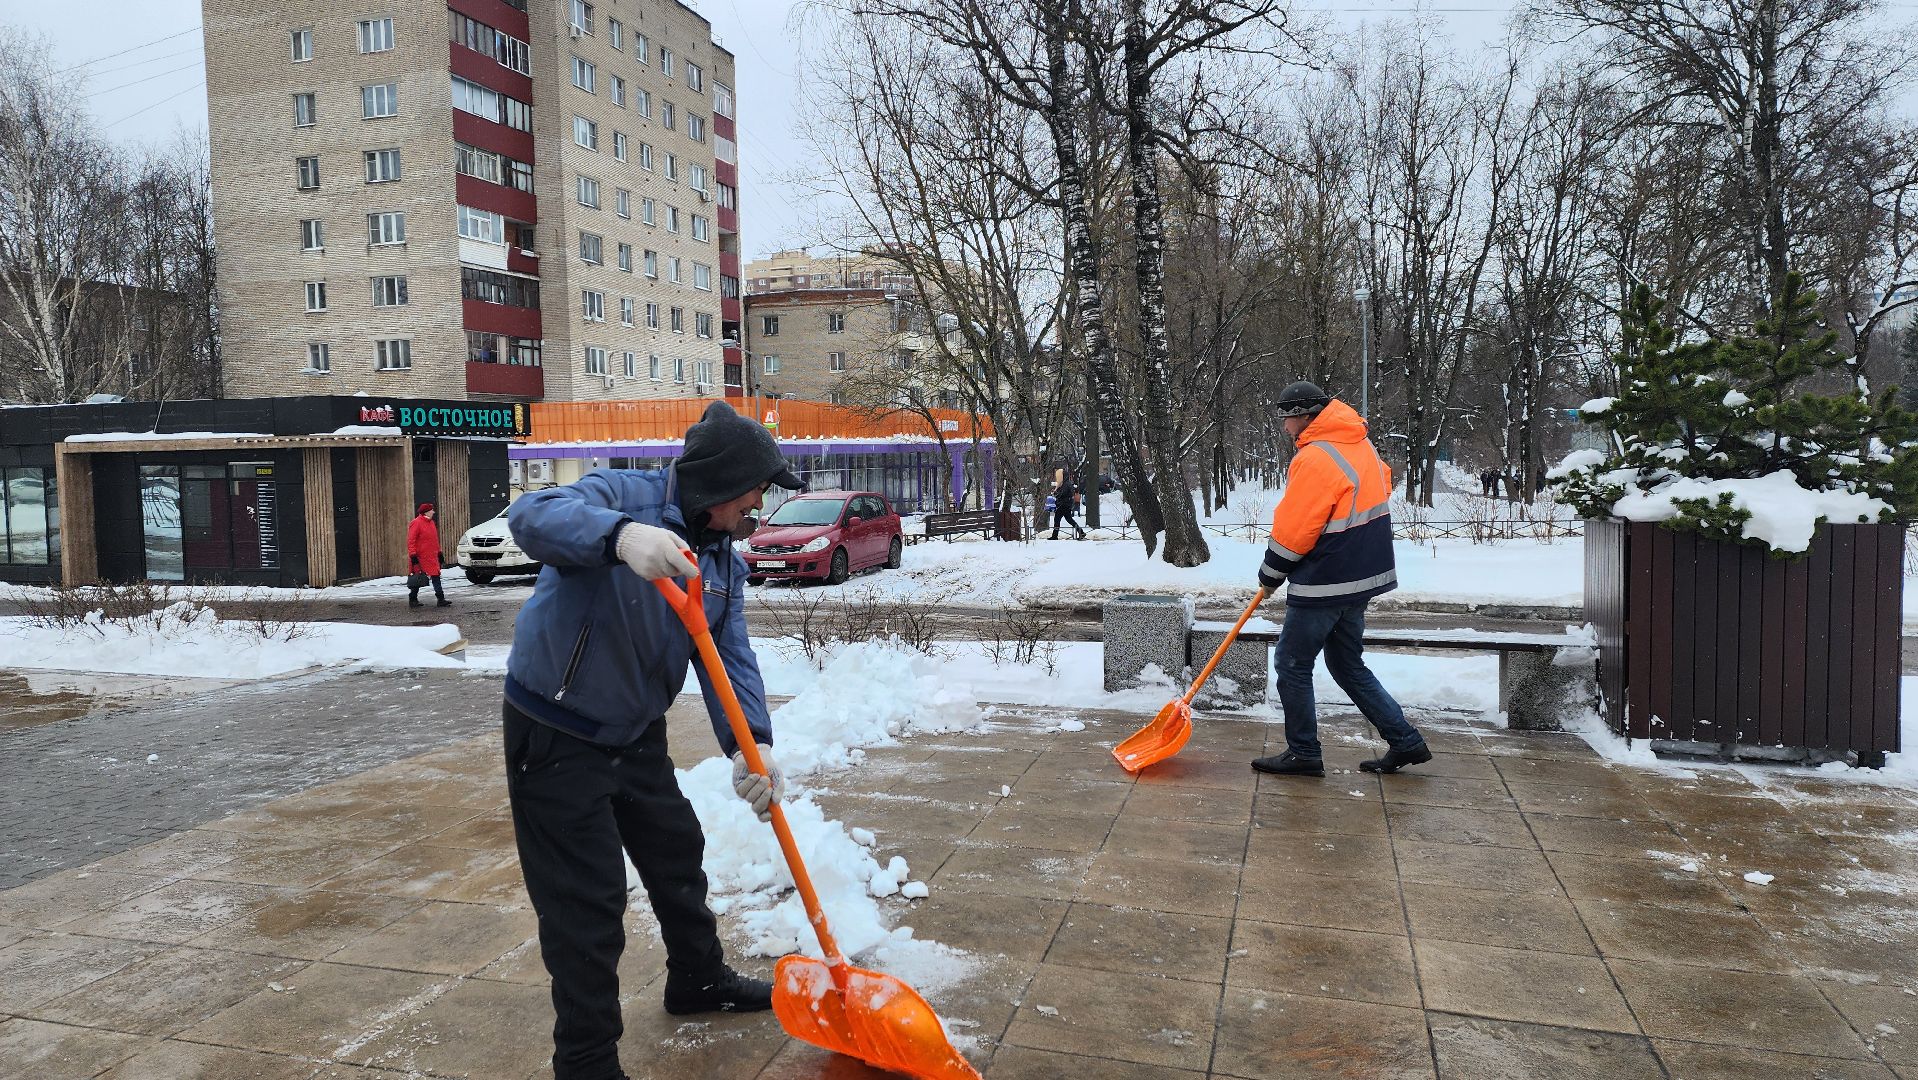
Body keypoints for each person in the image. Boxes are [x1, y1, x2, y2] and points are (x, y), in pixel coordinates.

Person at [502, 401, 806, 1080]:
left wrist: (750, 746)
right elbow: (532, 518)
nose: (761, 505)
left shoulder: (722, 560)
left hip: (635, 731)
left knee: (675, 851)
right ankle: (586, 1063)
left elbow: (730, 656)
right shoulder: (621, 493)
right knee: (588, 900)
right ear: (723, 484)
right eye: (758, 490)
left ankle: (697, 979)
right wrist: (619, 537)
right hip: (555, 728)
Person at [1251, 381, 1431, 778]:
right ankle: (1405, 740)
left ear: (1308, 415)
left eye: (1289, 418)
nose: (1285, 428)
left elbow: (1297, 526)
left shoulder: (1316, 457)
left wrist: (1271, 572)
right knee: (1347, 663)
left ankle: (1303, 752)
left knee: (1292, 663)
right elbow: (1380, 484)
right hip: (1363, 574)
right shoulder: (1358, 443)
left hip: (1327, 578)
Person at [407, 503, 449, 608]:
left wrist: (439, 553)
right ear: (426, 512)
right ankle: (413, 599)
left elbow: (434, 540)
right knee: (418, 578)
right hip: (420, 557)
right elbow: (411, 541)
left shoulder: (431, 523)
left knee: (436, 577)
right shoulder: (416, 523)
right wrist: (413, 556)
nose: (433, 512)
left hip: (432, 556)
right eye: (432, 510)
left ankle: (441, 599)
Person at [1050, 473, 1087, 540]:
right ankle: (1081, 532)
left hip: (1063, 505)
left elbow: (1062, 494)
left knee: (1058, 520)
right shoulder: (1066, 483)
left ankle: (1055, 536)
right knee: (1069, 520)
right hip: (1065, 504)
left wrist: (1055, 494)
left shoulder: (1065, 484)